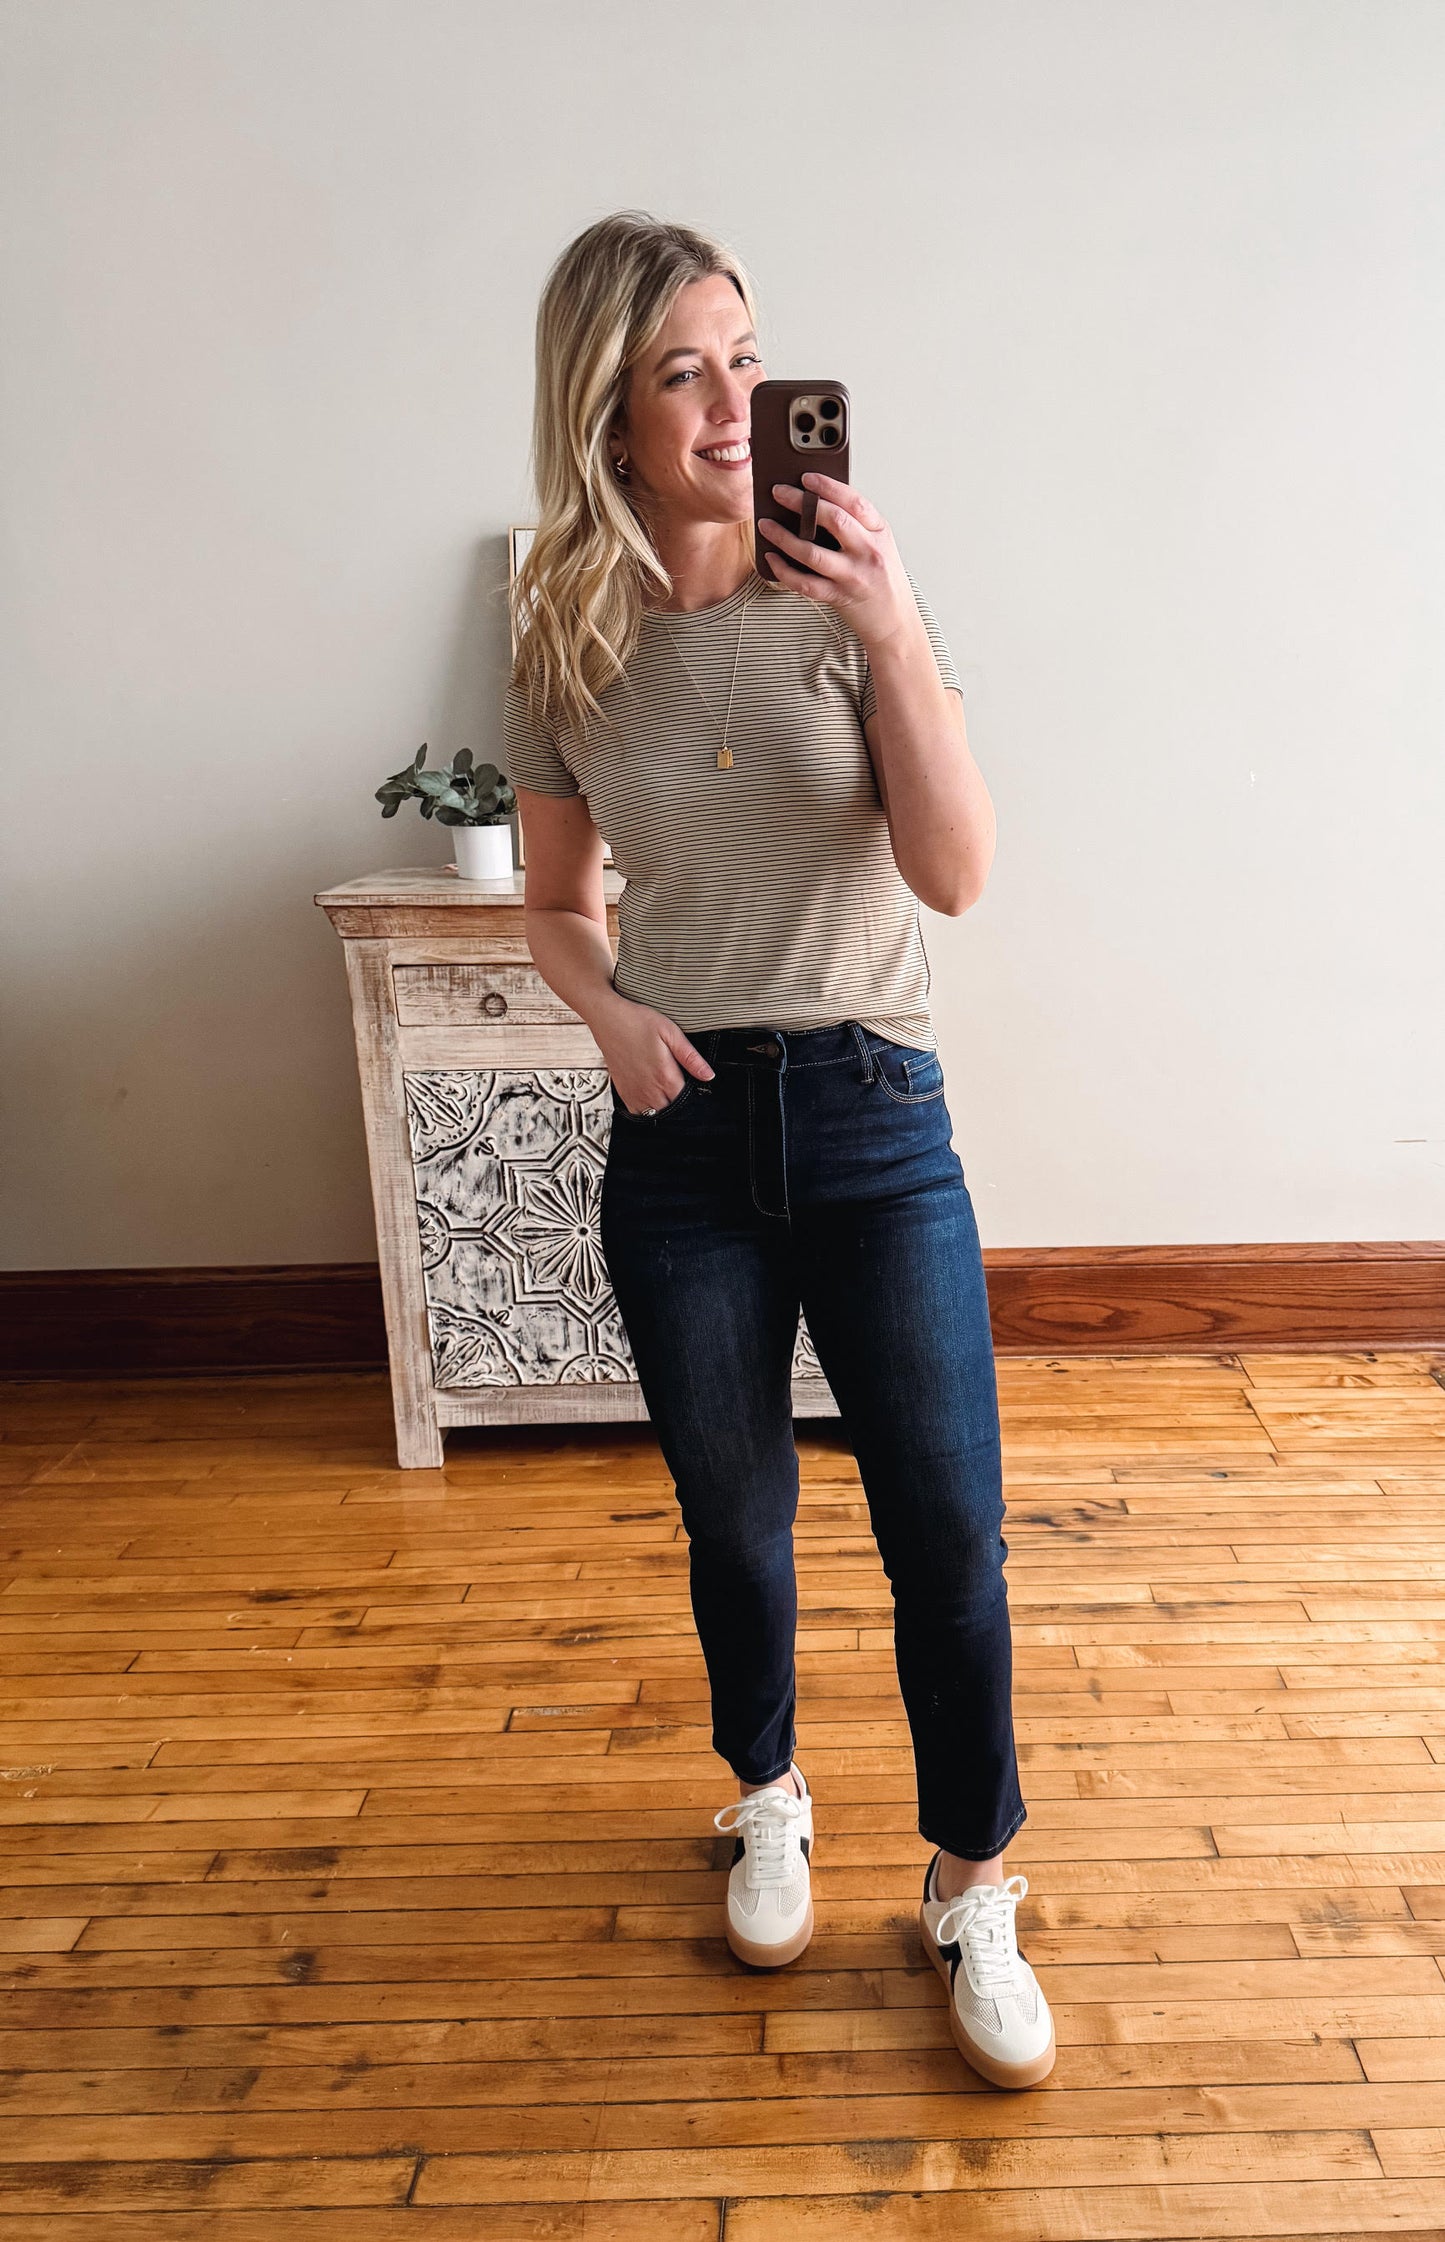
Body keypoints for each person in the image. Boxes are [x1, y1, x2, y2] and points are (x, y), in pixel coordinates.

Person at [504, 209, 1055, 2091]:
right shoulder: (562, 627)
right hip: (680, 1141)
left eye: (746, 354)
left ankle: (974, 1879)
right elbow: (562, 905)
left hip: (876, 1119)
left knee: (947, 1534)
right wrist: (608, 1019)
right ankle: (768, 1793)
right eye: (682, 370)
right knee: (733, 1521)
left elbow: (956, 874)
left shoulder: (855, 590)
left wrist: (889, 625)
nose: (734, 402)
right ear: (609, 418)